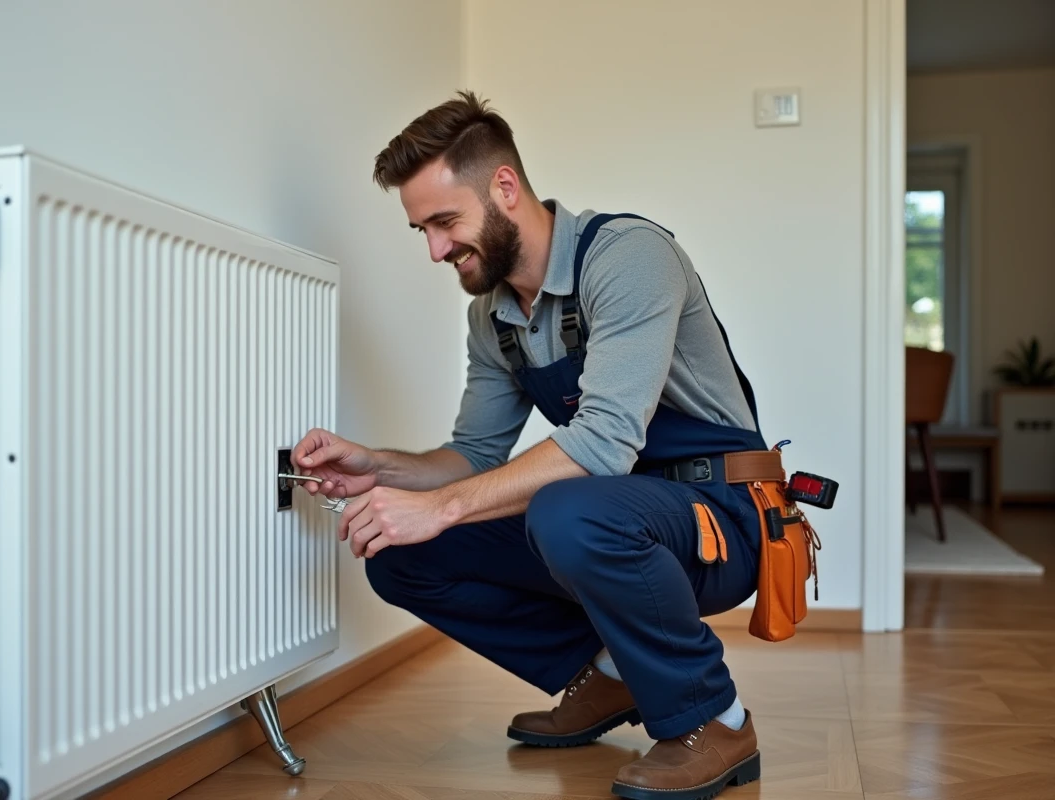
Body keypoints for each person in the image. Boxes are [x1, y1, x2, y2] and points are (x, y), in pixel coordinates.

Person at [290, 90, 784, 800]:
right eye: (420, 230)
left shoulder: (629, 256)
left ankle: (717, 720)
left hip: (720, 514)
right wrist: (379, 468)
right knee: (401, 553)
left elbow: (606, 442)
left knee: (567, 509)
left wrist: (443, 506)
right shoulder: (492, 319)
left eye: (444, 222)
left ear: (505, 187)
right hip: (613, 514)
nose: (433, 250)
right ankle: (614, 675)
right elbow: (475, 457)